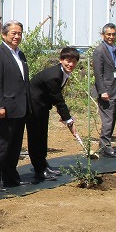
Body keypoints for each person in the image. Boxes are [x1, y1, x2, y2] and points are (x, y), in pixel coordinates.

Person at [0, 20, 31, 191]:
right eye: (13, 33)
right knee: (0, 145)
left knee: (14, 146)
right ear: (4, 35)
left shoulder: (20, 54)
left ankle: (11, 176)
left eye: (19, 33)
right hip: (4, 108)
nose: (17, 36)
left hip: (20, 109)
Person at [27, 47, 80, 182]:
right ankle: (39, 170)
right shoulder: (54, 75)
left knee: (42, 135)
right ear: (61, 60)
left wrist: (65, 117)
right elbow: (58, 100)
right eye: (68, 61)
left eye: (74, 61)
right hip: (33, 107)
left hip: (43, 105)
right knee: (36, 137)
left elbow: (54, 97)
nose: (71, 64)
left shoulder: (62, 73)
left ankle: (44, 165)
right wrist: (69, 121)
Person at [92, 23, 116, 158]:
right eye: (108, 34)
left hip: (115, 88)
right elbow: (98, 73)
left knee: (112, 117)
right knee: (108, 119)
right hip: (106, 90)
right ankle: (106, 146)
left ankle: (104, 144)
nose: (111, 37)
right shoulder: (99, 51)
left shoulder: (115, 49)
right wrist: (102, 91)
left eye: (113, 34)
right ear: (103, 35)